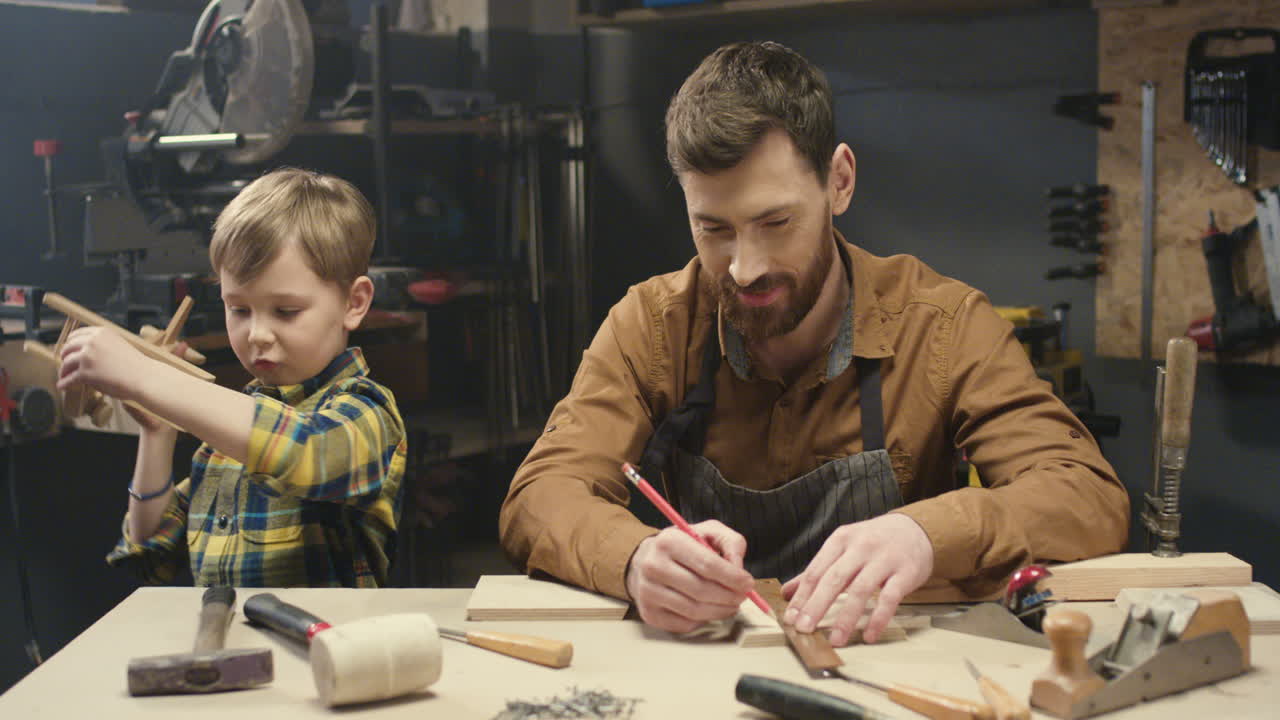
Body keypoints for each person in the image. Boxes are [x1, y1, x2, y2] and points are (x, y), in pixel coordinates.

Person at [499, 41, 1128, 645]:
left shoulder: (943, 325)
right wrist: (634, 559)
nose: (745, 268)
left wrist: (925, 534)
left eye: (775, 223)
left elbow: (1085, 493)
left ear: (840, 182)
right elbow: (540, 495)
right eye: (713, 228)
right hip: (706, 668)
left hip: (888, 664)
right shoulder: (653, 324)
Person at [58, 168, 407, 587]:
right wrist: (157, 435)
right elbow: (151, 557)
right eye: (238, 309)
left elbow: (305, 452)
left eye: (286, 311)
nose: (257, 334)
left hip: (323, 649)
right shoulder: (222, 444)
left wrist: (144, 375)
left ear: (354, 302)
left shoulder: (368, 411)